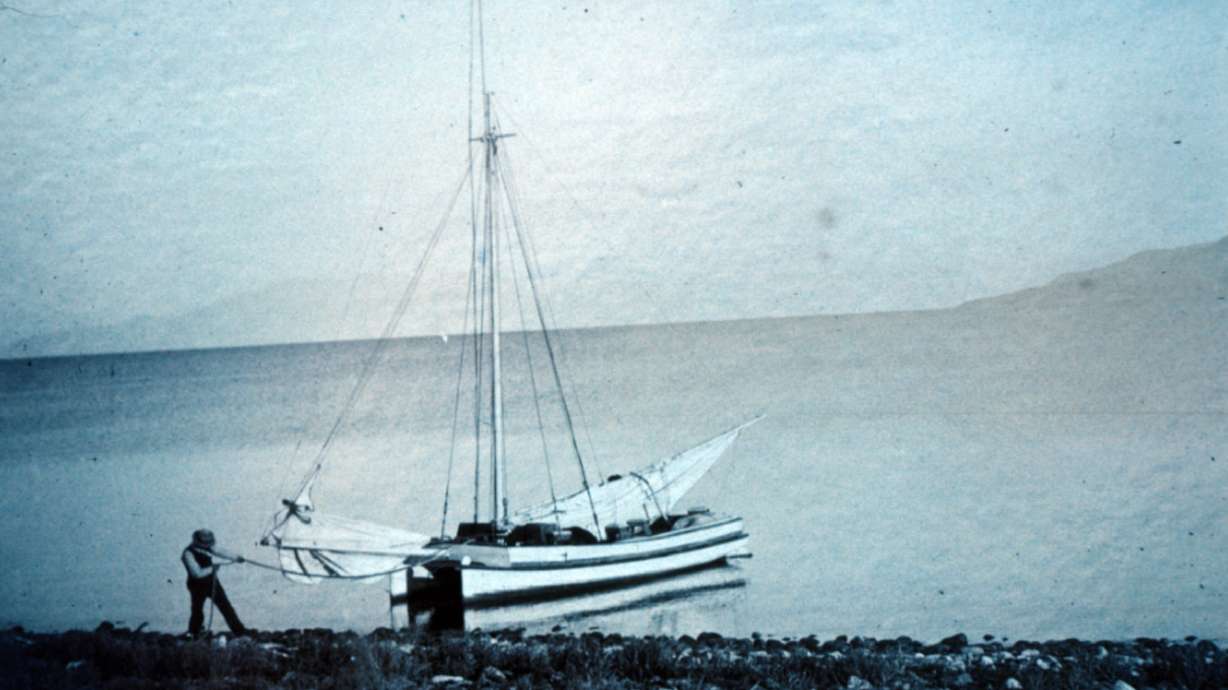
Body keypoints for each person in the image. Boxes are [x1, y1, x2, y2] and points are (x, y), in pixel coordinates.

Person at [182, 528, 248, 636]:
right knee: (197, 609)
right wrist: (212, 569)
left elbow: (221, 552)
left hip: (212, 583)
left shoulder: (208, 548)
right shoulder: (187, 554)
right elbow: (196, 573)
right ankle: (194, 632)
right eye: (205, 543)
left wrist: (236, 557)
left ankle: (239, 631)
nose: (208, 545)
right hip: (196, 586)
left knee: (225, 606)